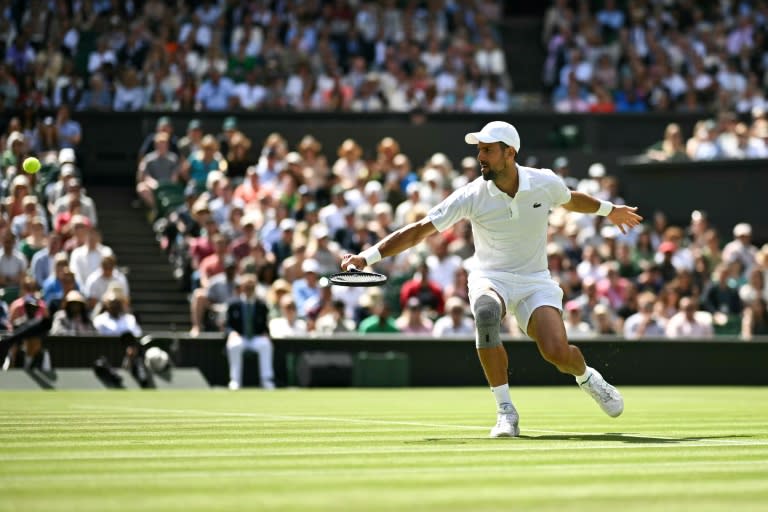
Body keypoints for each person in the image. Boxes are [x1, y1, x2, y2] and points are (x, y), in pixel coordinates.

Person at [341, 121, 643, 438]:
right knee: (485, 315)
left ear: (509, 152)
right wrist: (368, 256)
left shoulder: (543, 182)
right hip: (490, 278)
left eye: (487, 150)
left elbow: (570, 198)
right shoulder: (471, 194)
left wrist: (610, 210)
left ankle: (587, 377)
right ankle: (505, 411)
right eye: (479, 150)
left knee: (557, 353)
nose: (480, 157)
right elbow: (419, 230)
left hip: (535, 281)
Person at [225, 274, 274, 390]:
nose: (249, 289)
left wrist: (266, 333)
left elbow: (265, 325)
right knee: (234, 345)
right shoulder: (233, 304)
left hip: (256, 338)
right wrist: (231, 332)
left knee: (266, 344)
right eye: (246, 286)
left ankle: (266, 380)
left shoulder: (262, 305)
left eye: (251, 286)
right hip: (240, 337)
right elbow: (228, 325)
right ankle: (235, 380)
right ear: (241, 287)